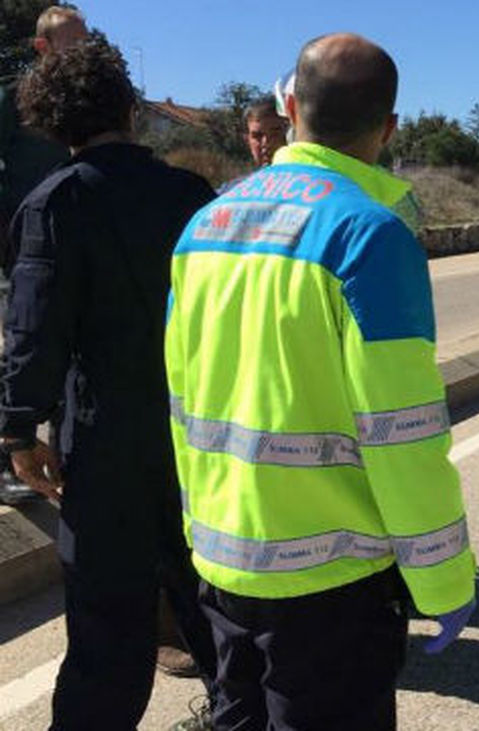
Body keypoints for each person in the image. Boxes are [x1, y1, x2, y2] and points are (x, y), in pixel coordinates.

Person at [166, 33, 476, 731]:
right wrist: (443, 578)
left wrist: (198, 533)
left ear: (289, 106)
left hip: (220, 561)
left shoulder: (202, 227)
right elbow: (403, 436)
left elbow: (182, 403)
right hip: (331, 585)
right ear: (389, 126)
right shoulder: (369, 234)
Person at [0, 39, 219, 730]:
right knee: (211, 602)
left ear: (50, 122)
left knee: (107, 628)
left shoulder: (55, 202)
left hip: (103, 441)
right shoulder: (192, 194)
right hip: (198, 434)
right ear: (130, 108)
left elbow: (36, 328)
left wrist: (17, 426)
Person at [0, 4, 88, 506]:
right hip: (26, 246)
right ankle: (11, 458)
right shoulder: (13, 101)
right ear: (42, 48)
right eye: (72, 44)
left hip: (76, 242)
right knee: (23, 348)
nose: (81, 53)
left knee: (71, 352)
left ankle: (65, 453)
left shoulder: (87, 103)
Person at [242, 96, 287, 168]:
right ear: (247, 140)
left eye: (274, 134)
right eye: (257, 136)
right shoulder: (247, 179)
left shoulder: (308, 176)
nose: (266, 143)